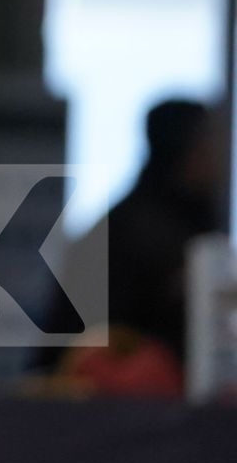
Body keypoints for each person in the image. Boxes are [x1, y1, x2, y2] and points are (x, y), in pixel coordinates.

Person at [65, 99, 222, 371]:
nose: (218, 153)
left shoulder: (195, 224)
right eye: (209, 138)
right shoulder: (132, 230)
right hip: (106, 398)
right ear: (183, 147)